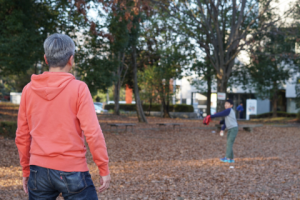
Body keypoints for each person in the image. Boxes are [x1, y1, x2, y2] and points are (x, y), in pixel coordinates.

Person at [15, 33, 110, 200]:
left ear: (46, 59)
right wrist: (103, 167)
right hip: (72, 169)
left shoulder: (28, 90)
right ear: (71, 60)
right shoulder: (79, 89)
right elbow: (93, 133)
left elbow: (22, 136)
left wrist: (26, 169)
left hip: (39, 170)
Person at [206, 99, 238, 163]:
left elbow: (220, 114)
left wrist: (211, 116)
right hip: (231, 129)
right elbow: (226, 122)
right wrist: (222, 129)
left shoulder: (229, 110)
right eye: (225, 104)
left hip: (233, 129)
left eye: (227, 104)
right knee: (229, 143)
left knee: (229, 143)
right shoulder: (228, 112)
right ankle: (231, 159)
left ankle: (227, 158)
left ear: (231, 105)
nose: (225, 105)